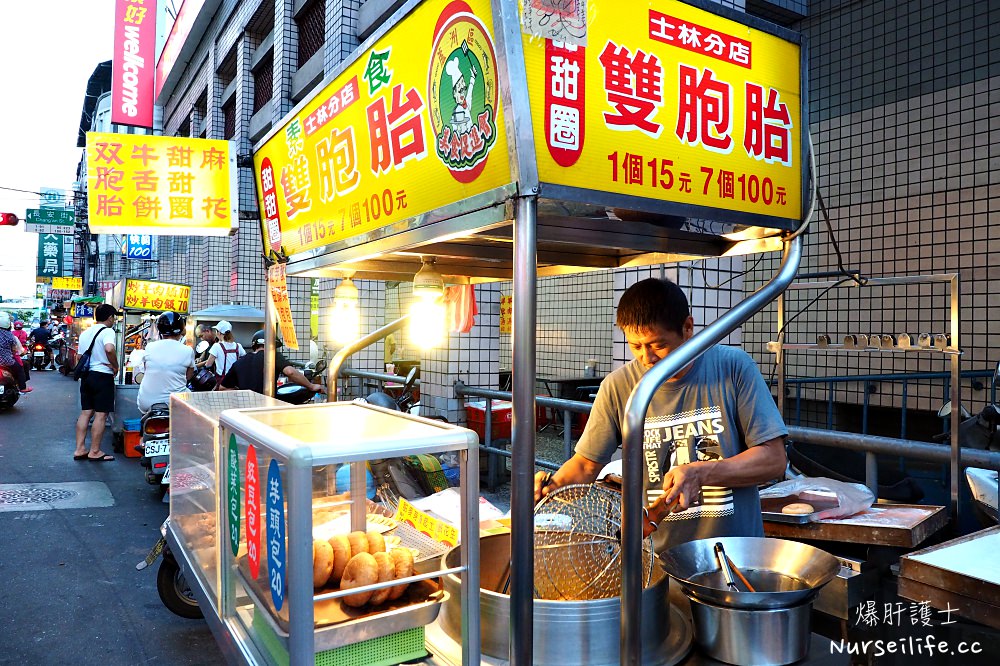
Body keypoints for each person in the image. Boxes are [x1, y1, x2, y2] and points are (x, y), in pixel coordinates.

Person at [534, 278, 788, 554]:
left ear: (688, 328)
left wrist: (701, 473)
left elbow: (773, 459)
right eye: (635, 346)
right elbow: (585, 465)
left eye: (658, 344)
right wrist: (550, 488)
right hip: (656, 558)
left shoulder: (733, 368)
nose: (647, 358)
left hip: (736, 553)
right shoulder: (619, 386)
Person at [73, 304, 120, 462]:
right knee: (101, 414)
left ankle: (79, 449)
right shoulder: (108, 331)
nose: (114, 320)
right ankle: (94, 451)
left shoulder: (86, 333)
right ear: (110, 317)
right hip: (102, 376)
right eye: (114, 317)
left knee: (86, 412)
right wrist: (115, 365)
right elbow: (109, 349)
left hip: (87, 377)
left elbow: (79, 357)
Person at [220, 329, 325, 395]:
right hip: (266, 406)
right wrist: (311, 386)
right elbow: (290, 372)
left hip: (245, 410)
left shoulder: (239, 362)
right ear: (272, 345)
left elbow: (222, 388)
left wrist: (244, 393)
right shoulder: (272, 356)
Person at [136, 312, 196, 413]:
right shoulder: (188, 350)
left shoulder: (150, 347)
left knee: (144, 419)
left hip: (147, 402)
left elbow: (147, 370)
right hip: (176, 402)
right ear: (180, 329)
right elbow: (188, 376)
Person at [0, 313, 30, 394]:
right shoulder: (11, 336)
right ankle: (22, 388)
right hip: (7, 361)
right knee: (20, 369)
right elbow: (15, 350)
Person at [11, 320, 31, 389]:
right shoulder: (12, 336)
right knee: (22, 366)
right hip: (13, 356)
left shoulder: (11, 333)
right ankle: (22, 387)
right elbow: (19, 350)